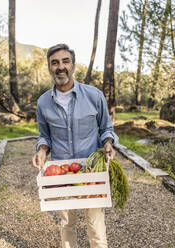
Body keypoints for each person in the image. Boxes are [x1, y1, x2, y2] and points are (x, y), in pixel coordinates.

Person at [32, 43, 118, 248]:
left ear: (73, 65)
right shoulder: (43, 102)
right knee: (67, 223)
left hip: (92, 170)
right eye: (55, 63)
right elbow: (44, 136)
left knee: (96, 227)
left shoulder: (94, 96)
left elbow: (107, 128)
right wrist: (42, 150)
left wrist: (108, 143)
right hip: (61, 173)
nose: (60, 67)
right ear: (49, 67)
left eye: (65, 61)